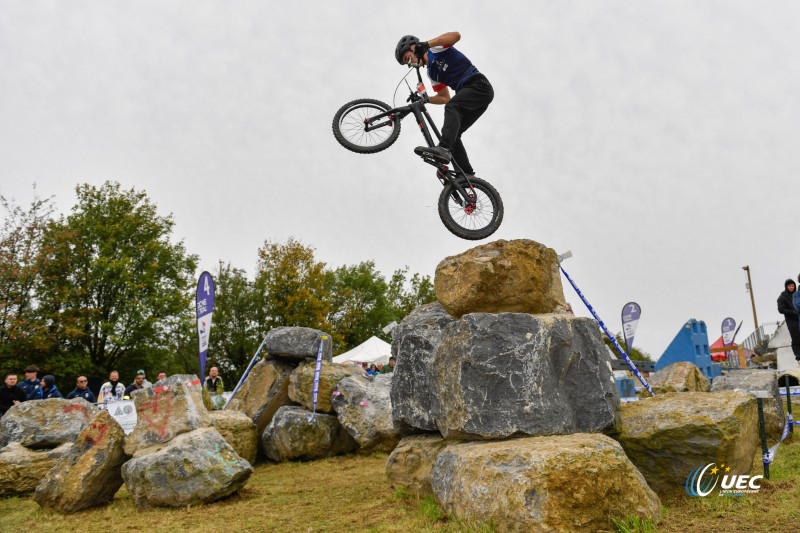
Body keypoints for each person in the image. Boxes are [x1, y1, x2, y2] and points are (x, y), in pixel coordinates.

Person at [396, 32, 494, 179]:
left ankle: (444, 149)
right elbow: (444, 97)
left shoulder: (435, 49)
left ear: (414, 47)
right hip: (474, 99)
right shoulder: (432, 74)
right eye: (407, 63)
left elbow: (456, 36)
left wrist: (427, 44)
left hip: (479, 85)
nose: (410, 63)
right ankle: (466, 174)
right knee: (453, 134)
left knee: (452, 108)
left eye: (408, 58)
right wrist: (425, 99)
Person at [777, 278, 800, 361]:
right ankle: (798, 355)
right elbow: (781, 309)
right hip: (791, 320)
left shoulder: (797, 294)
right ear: (786, 286)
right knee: (795, 337)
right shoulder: (782, 297)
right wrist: (793, 312)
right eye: (790, 286)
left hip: (799, 318)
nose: (791, 287)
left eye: (793, 286)